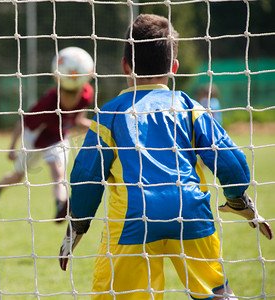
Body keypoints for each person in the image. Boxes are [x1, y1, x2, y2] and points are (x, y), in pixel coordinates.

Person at [58, 14, 272, 300]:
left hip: (134, 220)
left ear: (125, 66)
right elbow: (229, 158)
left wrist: (78, 225)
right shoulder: (189, 107)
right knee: (215, 293)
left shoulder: (110, 114)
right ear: (174, 67)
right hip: (191, 212)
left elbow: (86, 175)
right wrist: (237, 199)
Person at [0, 47, 94, 222]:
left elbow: (79, 120)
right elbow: (23, 121)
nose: (70, 100)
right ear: (59, 86)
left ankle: (62, 206)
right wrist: (12, 147)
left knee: (58, 174)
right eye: (66, 95)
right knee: (18, 176)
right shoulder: (48, 103)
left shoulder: (86, 95)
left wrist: (101, 126)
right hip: (34, 140)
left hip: (57, 138)